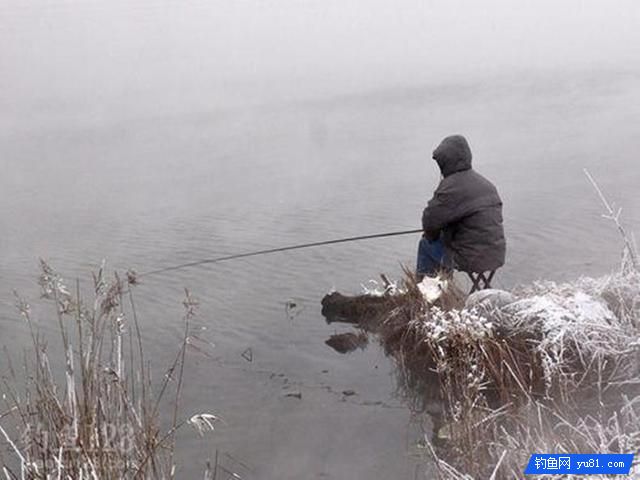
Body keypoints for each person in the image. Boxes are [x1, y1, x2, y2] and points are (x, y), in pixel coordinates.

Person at [417, 135, 506, 280]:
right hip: (495, 255)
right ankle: (444, 290)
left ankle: (427, 293)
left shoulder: (450, 187)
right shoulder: (486, 184)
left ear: (446, 162)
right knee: (443, 241)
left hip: (470, 259)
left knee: (426, 244)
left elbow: (430, 221)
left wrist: (431, 235)